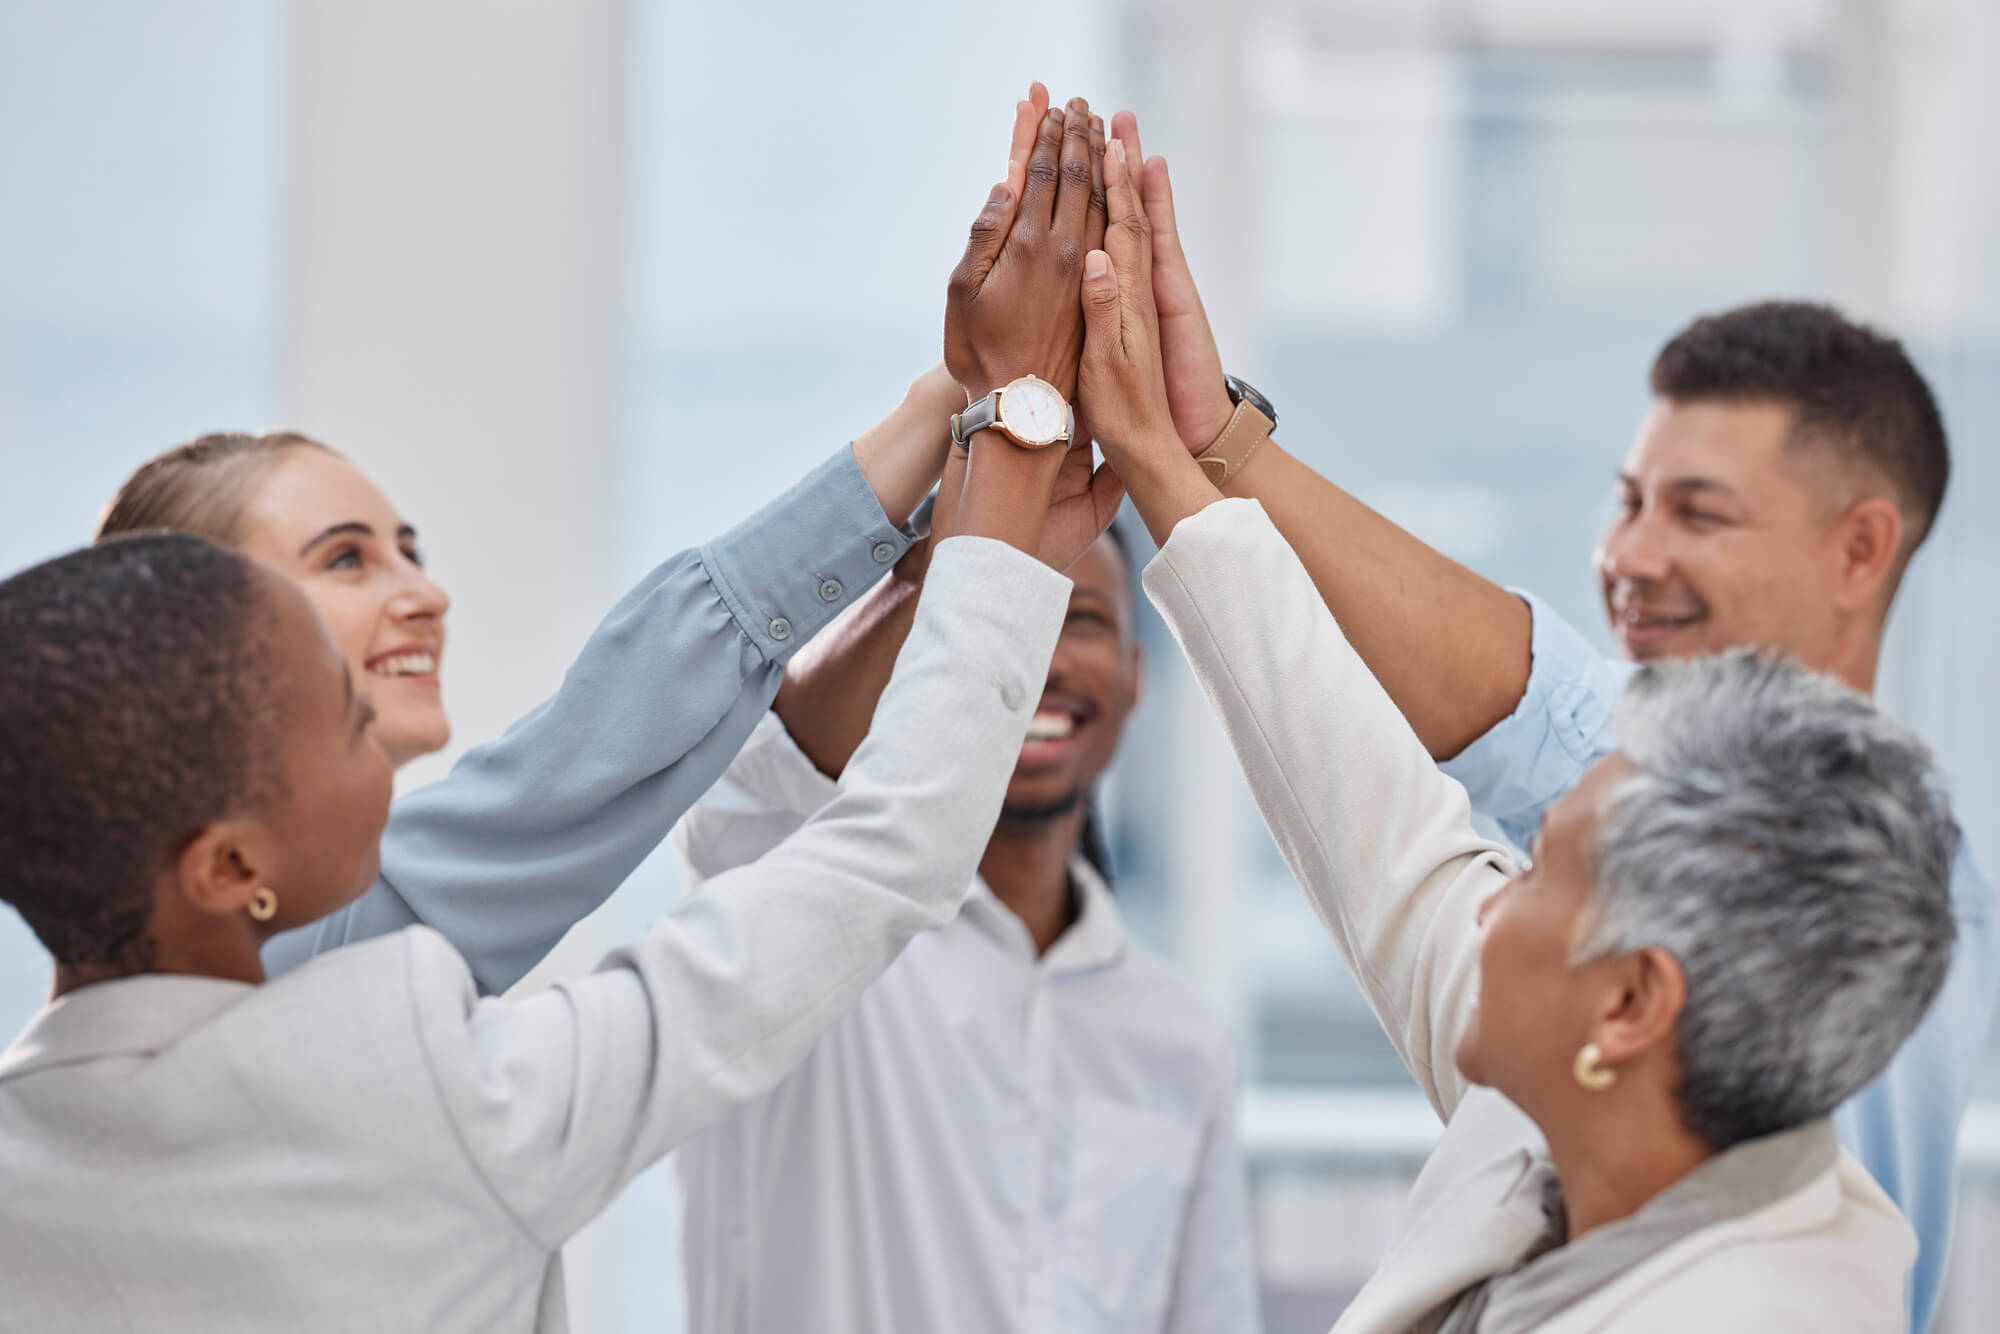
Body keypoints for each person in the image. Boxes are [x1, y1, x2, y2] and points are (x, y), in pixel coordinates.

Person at [0, 200, 1099, 1327]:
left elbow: (586, 754)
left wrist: (949, 428)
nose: (424, 592)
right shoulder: (418, 1084)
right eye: (335, 565)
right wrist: (1001, 461)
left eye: (408, 549)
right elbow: (835, 853)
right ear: (229, 863)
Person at [1104, 108, 1995, 1332]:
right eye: (1625, 500)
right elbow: (1394, 816)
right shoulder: (1593, 1079)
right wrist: (1187, 449)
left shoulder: (1871, 914)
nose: (1626, 556)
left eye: (1696, 511)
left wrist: (1188, 453)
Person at [671, 524, 1258, 1334]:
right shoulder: (811, 932)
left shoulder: (1184, 1042)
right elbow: (756, 783)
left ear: (1133, 676)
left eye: (1080, 619)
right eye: (1017, 621)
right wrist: (973, 531)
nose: (1041, 661)